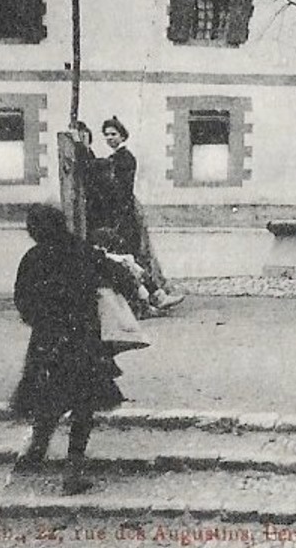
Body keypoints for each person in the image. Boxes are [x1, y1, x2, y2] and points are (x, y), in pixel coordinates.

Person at [10, 204, 132, 495]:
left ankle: (35, 453)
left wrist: (40, 319)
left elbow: (22, 299)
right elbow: (123, 277)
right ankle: (73, 471)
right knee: (83, 405)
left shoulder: (33, 257)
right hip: (82, 341)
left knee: (46, 397)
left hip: (47, 341)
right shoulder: (83, 251)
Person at [95, 117, 183, 314]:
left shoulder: (123, 158)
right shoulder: (115, 158)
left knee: (130, 258)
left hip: (124, 215)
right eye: (107, 135)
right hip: (121, 213)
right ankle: (152, 299)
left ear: (122, 135)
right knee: (129, 260)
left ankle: (149, 301)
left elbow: (120, 191)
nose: (110, 138)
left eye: (113, 134)